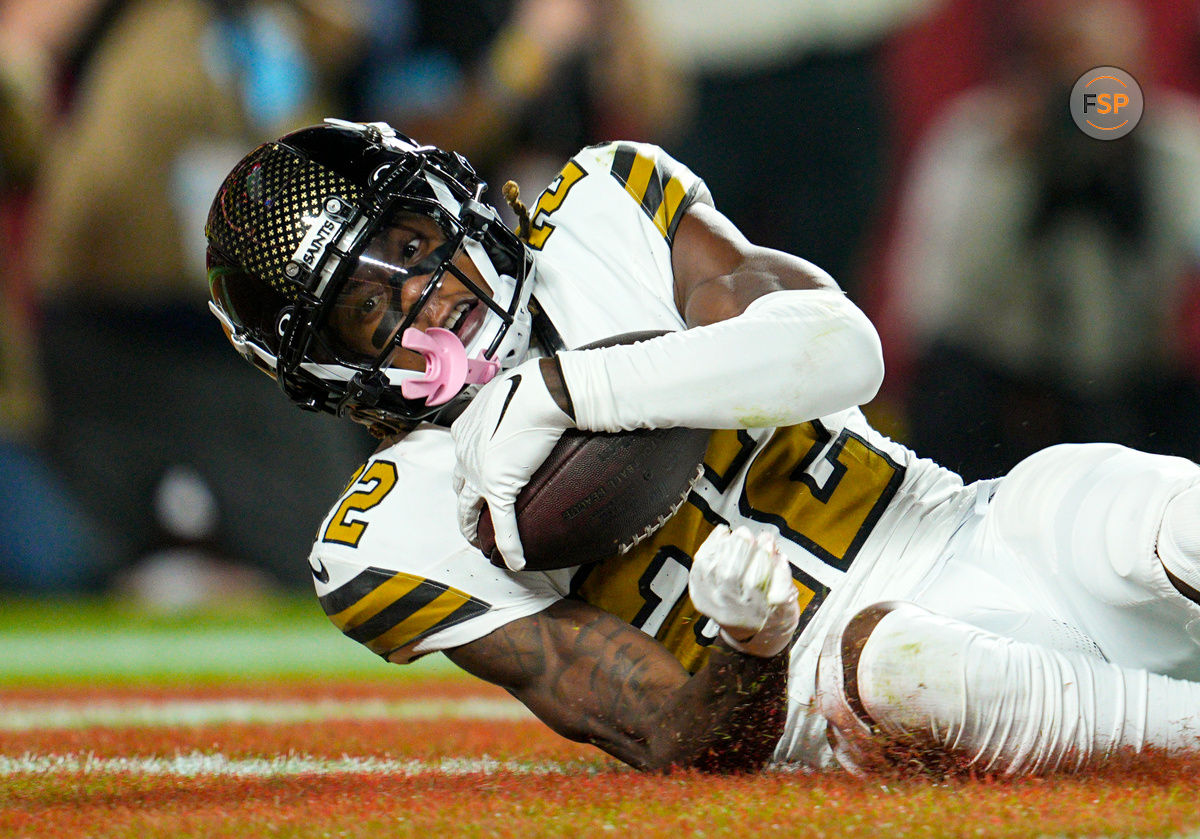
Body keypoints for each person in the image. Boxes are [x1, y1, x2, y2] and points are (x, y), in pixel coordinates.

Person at [204, 119, 1200, 775]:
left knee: (1123, 495)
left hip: (966, 523)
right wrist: (753, 644)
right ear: (329, 368)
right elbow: (667, 738)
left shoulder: (603, 206)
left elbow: (843, 352)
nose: (425, 291)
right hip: (833, 690)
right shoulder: (393, 535)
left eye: (415, 244)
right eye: (370, 303)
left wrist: (571, 389)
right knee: (890, 663)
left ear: (454, 202)